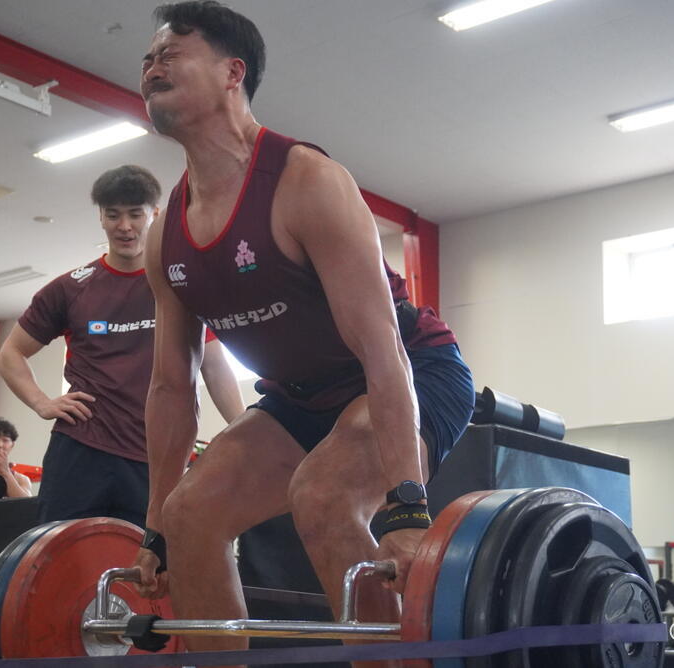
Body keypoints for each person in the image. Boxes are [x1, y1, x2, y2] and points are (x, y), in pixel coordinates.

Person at [132, 2, 475, 662]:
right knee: (189, 514)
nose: (151, 67)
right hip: (300, 397)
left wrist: (407, 509)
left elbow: (381, 349)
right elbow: (171, 388)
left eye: (170, 54)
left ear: (232, 73)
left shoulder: (307, 181)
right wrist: (154, 530)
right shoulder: (164, 233)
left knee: (323, 494)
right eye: (147, 59)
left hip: (412, 370)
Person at [0, 164, 245, 526]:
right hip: (81, 448)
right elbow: (10, 354)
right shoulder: (71, 288)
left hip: (156, 454)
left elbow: (214, 364)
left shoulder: (180, 284)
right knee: (60, 551)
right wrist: (41, 402)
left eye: (134, 214)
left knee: (149, 557)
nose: (124, 226)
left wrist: (244, 428)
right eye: (113, 215)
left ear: (154, 214)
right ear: (101, 217)